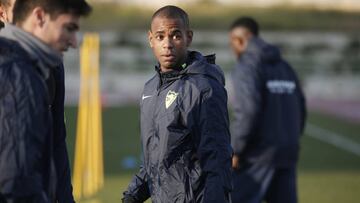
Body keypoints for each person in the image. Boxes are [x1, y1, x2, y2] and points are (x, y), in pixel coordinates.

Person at [122, 5, 232, 203]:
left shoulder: (203, 88)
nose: (167, 44)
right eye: (160, 36)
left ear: (188, 37)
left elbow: (217, 158)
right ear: (150, 39)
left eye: (175, 36)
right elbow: (154, 159)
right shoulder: (150, 89)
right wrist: (132, 195)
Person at [0, 0, 92, 202]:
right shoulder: (18, 75)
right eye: (68, 28)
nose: (74, 42)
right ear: (39, 17)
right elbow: (15, 180)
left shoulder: (34, 68)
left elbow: (56, 142)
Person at [229, 17, 306, 203]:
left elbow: (248, 111)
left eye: (232, 43)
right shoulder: (285, 66)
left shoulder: (246, 67)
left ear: (239, 40)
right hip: (287, 152)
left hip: (258, 156)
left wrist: (235, 149)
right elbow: (301, 108)